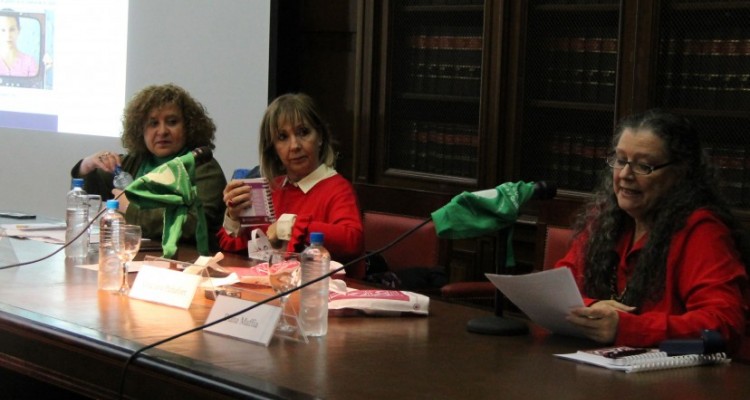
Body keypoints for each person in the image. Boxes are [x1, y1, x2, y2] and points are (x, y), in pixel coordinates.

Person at [555, 109, 749, 354]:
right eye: (620, 160)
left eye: (644, 166)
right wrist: (595, 309)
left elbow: (723, 322)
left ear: (679, 173)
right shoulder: (605, 219)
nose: (625, 175)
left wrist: (629, 328)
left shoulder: (701, 230)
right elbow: (557, 290)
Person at [218, 93, 365, 277]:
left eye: (303, 132)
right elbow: (236, 249)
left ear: (320, 136)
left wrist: (291, 226)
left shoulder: (338, 188)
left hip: (320, 295)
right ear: (273, 148)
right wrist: (234, 216)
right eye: (282, 137)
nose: (295, 145)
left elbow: (352, 240)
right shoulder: (273, 187)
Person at [71, 83, 227, 250]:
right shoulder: (133, 162)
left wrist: (131, 210)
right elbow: (86, 199)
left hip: (188, 262)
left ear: (189, 127)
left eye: (172, 122)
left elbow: (193, 224)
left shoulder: (204, 168)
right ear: (140, 130)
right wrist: (86, 166)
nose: (162, 131)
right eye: (153, 124)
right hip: (136, 257)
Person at [0, 9, 39, 77]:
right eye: (3, 30)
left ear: (19, 30)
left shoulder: (29, 62)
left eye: (12, 29)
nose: (8, 35)